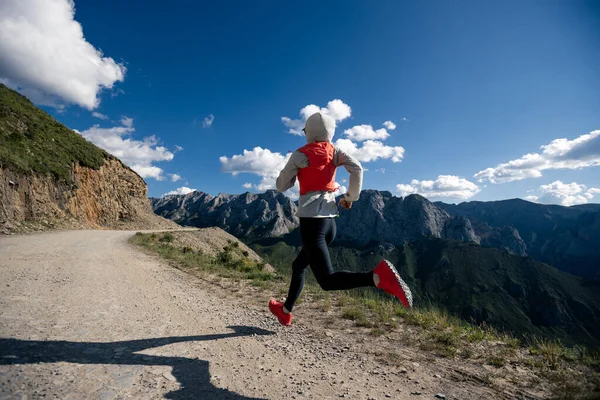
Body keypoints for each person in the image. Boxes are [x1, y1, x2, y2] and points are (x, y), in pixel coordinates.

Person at [269, 112, 412, 326]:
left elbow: (281, 186)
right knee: (299, 265)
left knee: (326, 281)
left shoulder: (299, 154)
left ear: (308, 131)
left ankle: (376, 278)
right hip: (329, 224)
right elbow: (357, 168)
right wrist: (349, 197)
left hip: (312, 223)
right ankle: (286, 310)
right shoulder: (334, 152)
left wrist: (293, 174)